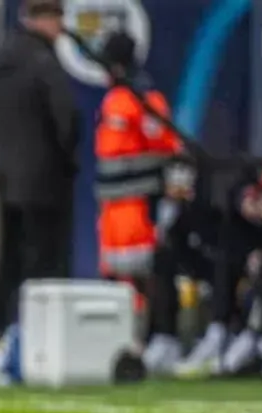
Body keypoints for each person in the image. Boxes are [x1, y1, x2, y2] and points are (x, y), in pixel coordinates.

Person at [0, 0, 80, 356]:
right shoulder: (45, 62)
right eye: (58, 18)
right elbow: (66, 118)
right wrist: (69, 160)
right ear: (45, 19)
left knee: (9, 254)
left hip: (4, 176)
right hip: (45, 176)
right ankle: (34, 331)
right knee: (44, 258)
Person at [174, 110, 262, 378]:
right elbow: (241, 195)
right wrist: (248, 202)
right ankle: (221, 329)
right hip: (260, 246)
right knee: (227, 248)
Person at [90, 30, 185, 374]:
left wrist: (167, 199)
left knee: (150, 273)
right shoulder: (114, 100)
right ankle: (125, 340)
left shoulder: (145, 100)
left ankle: (162, 337)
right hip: (114, 207)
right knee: (118, 276)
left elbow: (169, 150)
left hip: (141, 205)